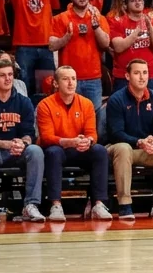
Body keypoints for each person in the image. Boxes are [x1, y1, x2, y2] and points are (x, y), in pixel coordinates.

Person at [105, 58, 153, 220]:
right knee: (123, 148)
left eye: (145, 73)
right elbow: (116, 133)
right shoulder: (116, 100)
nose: (141, 77)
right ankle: (124, 205)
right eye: (137, 73)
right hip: (121, 149)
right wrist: (139, 142)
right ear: (127, 76)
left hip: (147, 149)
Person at [0, 58, 44, 223]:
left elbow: (29, 132)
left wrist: (23, 143)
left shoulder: (24, 102)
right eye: (3, 75)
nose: (8, 79)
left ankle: (31, 205)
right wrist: (6, 144)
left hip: (16, 150)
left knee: (35, 150)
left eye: (11, 74)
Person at [38, 66, 112, 221]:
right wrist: (69, 141)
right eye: (66, 79)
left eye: (73, 79)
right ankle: (56, 205)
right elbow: (46, 137)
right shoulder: (45, 105)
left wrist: (88, 141)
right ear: (56, 83)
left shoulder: (86, 104)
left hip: (79, 148)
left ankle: (98, 204)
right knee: (53, 152)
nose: (71, 83)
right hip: (58, 149)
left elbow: (92, 133)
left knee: (99, 151)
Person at [48, 0, 111, 135]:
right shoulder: (61, 18)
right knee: (69, 116)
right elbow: (52, 45)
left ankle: (92, 146)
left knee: (93, 117)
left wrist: (95, 26)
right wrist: (66, 38)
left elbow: (105, 44)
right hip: (68, 78)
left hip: (93, 77)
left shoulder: (98, 17)